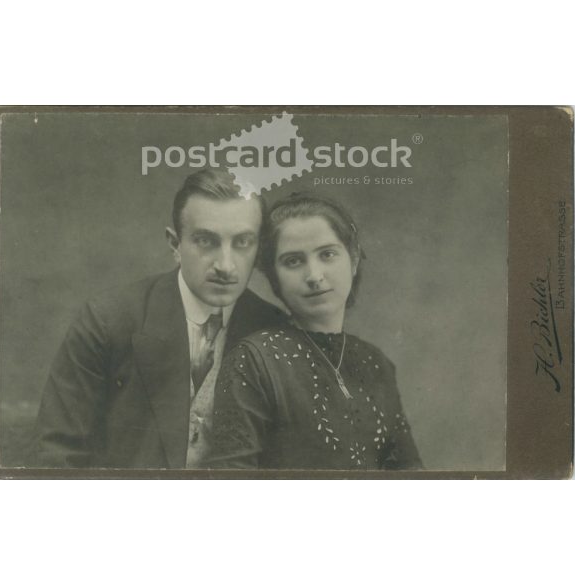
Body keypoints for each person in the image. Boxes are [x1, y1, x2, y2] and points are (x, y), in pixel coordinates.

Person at [34, 169, 285, 469]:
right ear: (175, 244)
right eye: (206, 241)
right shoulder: (108, 320)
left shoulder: (274, 330)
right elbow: (57, 454)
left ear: (259, 249)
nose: (225, 265)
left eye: (243, 242)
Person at [206, 193, 422, 470]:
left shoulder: (375, 363)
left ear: (353, 260)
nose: (314, 276)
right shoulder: (254, 361)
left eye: (327, 254)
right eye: (294, 261)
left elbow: (412, 476)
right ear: (274, 277)